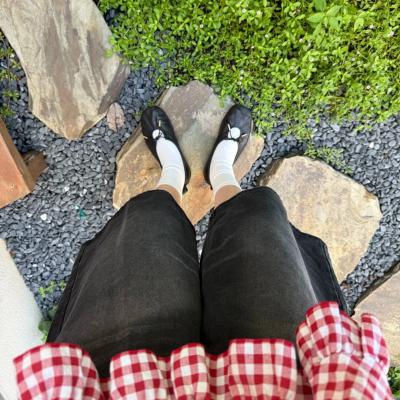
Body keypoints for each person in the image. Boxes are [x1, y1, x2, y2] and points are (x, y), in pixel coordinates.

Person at [14, 106, 392, 399]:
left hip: (123, 385)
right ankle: (221, 174)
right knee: (258, 217)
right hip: (287, 381)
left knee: (146, 222)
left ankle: (174, 174)